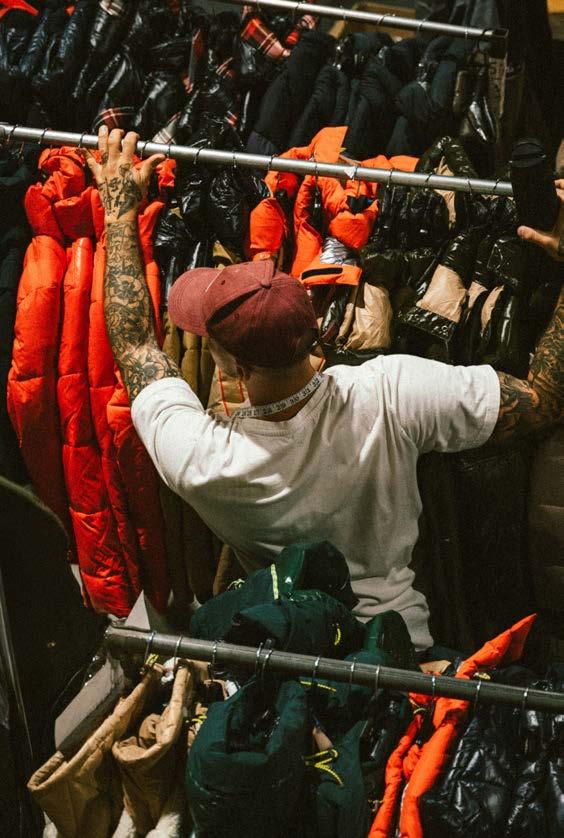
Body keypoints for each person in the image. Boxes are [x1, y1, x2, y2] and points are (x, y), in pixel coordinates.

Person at [83, 128, 563, 650]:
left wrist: (119, 210)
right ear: (314, 327)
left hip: (289, 650)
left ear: (233, 365)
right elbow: (542, 401)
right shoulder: (391, 392)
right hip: (404, 648)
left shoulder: (206, 460)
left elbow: (134, 345)